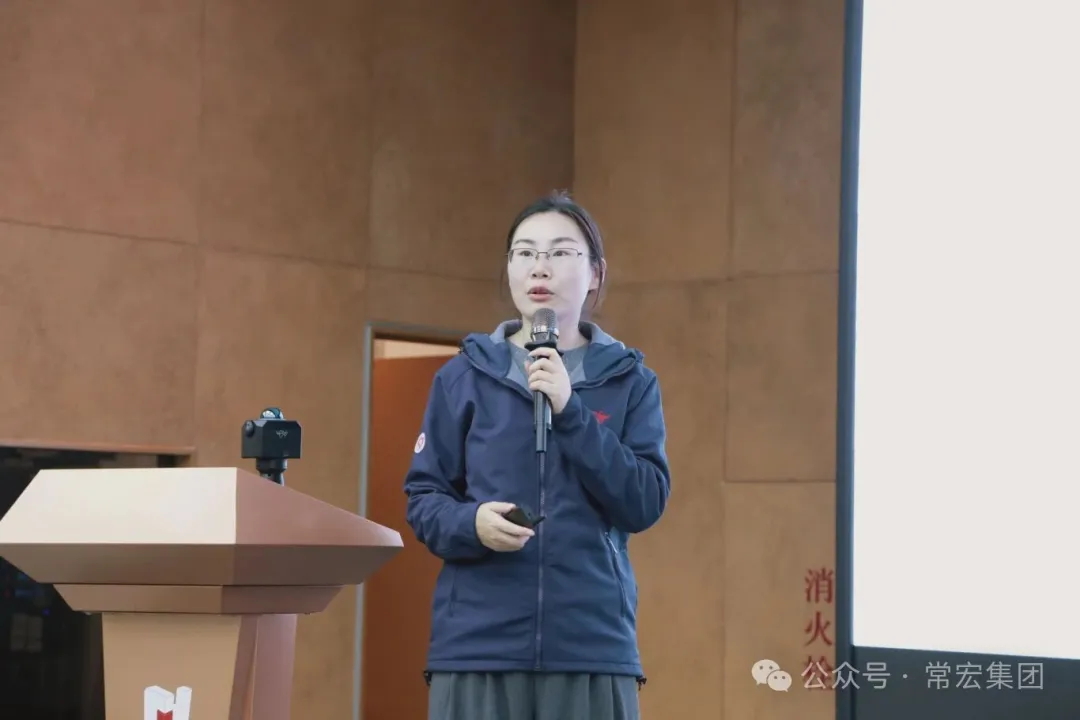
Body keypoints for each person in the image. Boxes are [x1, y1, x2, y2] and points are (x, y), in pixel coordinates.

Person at [403, 190, 672, 720]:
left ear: (595, 273)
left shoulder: (631, 382)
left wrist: (571, 411)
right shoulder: (462, 377)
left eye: (560, 252)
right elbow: (423, 499)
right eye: (524, 252)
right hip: (477, 646)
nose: (539, 266)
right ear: (509, 270)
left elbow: (644, 501)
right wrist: (471, 523)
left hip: (590, 646)